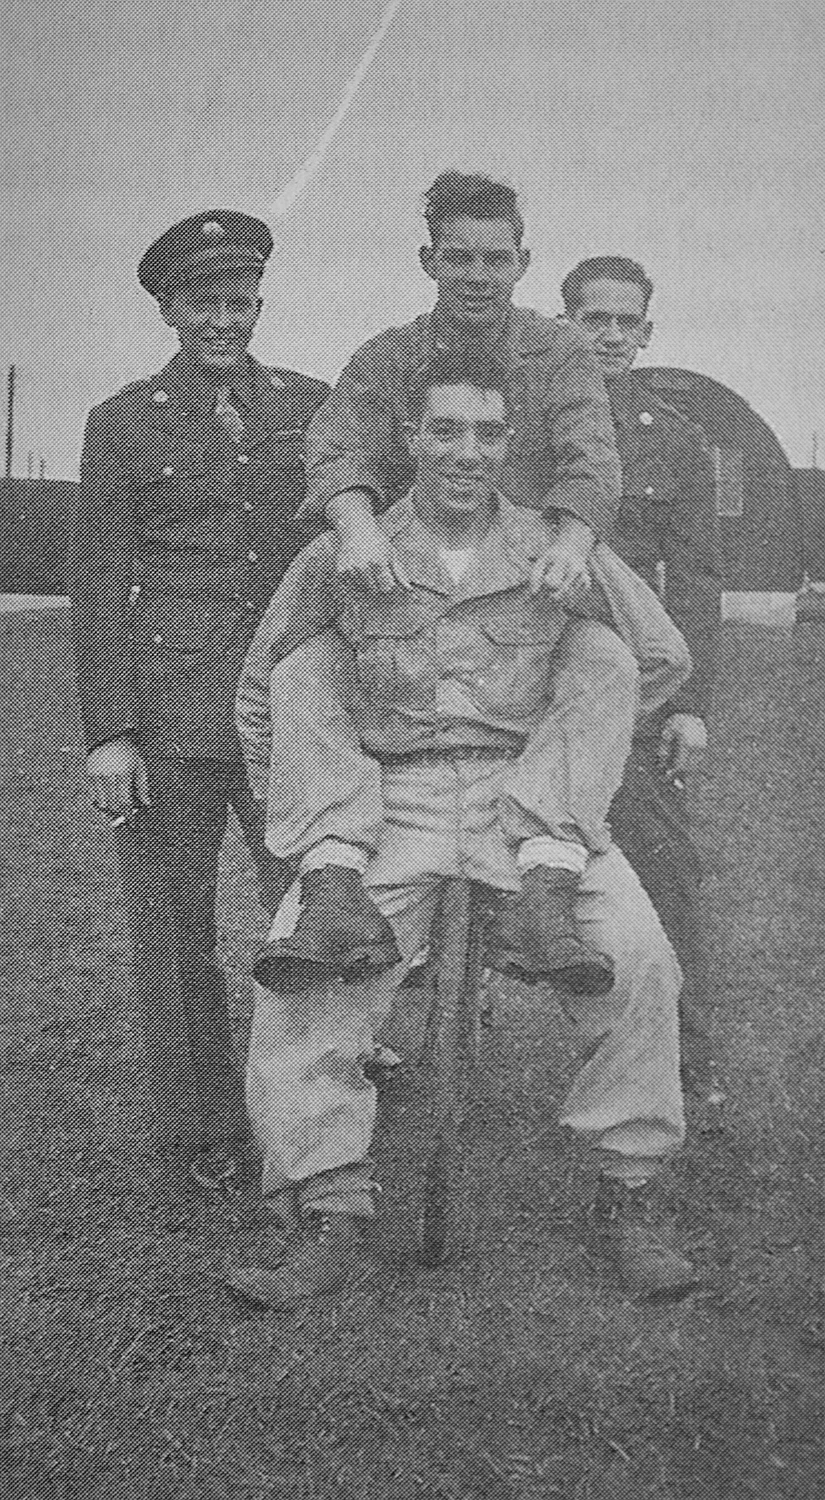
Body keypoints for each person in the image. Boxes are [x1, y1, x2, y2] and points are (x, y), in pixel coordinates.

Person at [227, 361, 697, 1310]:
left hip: (530, 808)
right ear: (409, 438)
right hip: (385, 801)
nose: (465, 453)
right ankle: (328, 1206)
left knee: (639, 958)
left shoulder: (556, 549)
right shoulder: (345, 551)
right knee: (303, 983)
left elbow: (655, 657)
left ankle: (629, 1191)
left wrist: (569, 750)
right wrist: (318, 824)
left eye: (486, 434)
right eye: (444, 430)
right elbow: (264, 685)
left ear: (509, 445)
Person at [243, 171, 630, 973]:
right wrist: (356, 527)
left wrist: (571, 541)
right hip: (407, 582)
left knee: (619, 676)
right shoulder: (388, 355)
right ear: (428, 261)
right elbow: (337, 443)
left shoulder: (559, 351)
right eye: (458, 258)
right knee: (306, 667)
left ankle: (559, 896)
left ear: (522, 263)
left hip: (534, 579)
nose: (477, 276)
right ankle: (340, 892)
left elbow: (590, 454)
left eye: (496, 259)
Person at [65, 211, 329, 1177]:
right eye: (203, 303)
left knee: (310, 915)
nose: (223, 320)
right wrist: (110, 733)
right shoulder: (123, 422)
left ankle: (313, 1106)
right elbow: (98, 578)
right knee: (175, 935)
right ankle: (206, 1130)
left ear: (258, 304)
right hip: (168, 718)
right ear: (169, 311)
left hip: (288, 713)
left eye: (239, 302)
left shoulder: (310, 405)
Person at [560, 257, 722, 1006]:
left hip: (628, 688)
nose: (612, 336)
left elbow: (693, 579)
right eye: (595, 319)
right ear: (565, 324)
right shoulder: (520, 420)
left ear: (647, 332)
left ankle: (684, 1050)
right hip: (517, 670)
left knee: (663, 865)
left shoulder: (675, 440)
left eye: (627, 322)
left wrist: (688, 706)